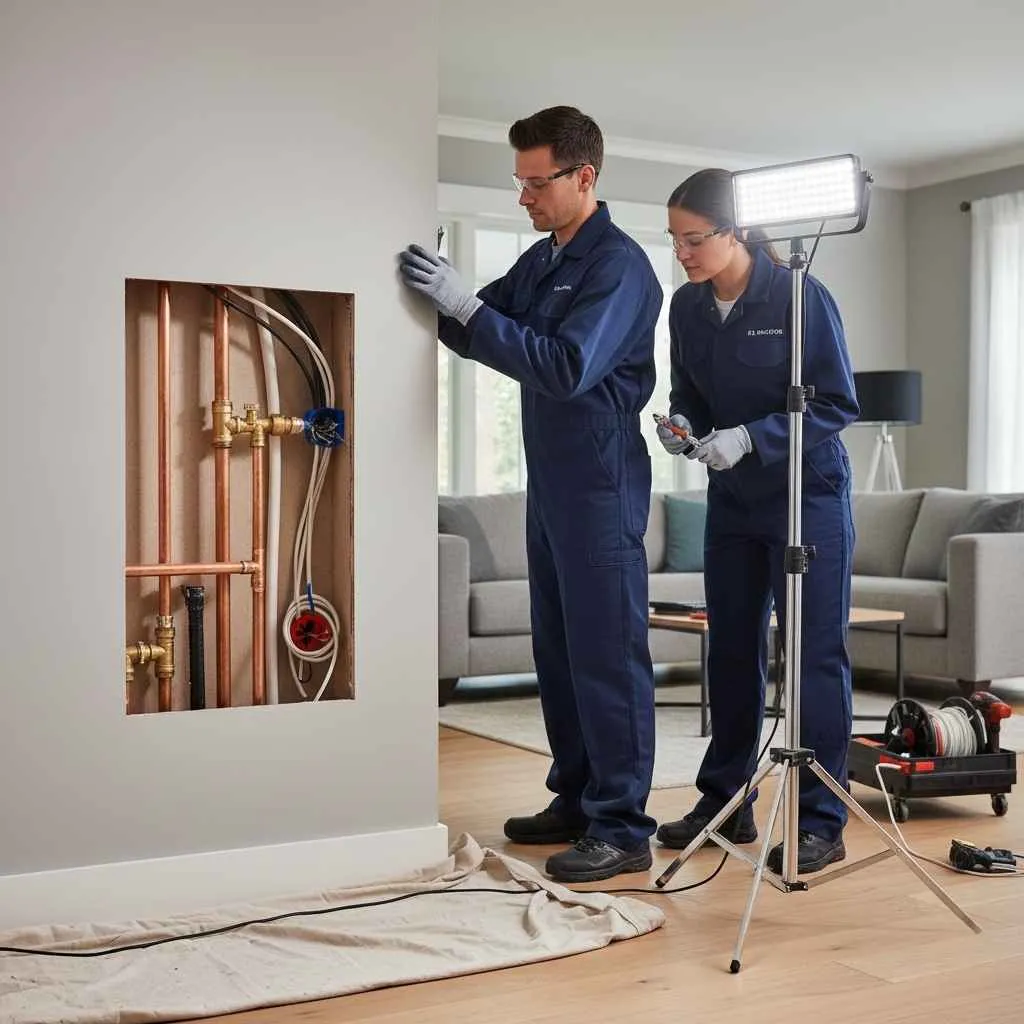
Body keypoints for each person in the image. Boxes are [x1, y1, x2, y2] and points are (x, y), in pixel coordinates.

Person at [398, 106, 663, 883]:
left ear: (585, 176)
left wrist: (467, 308)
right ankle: (577, 798)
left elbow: (562, 367)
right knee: (559, 651)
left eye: (536, 183)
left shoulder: (619, 266)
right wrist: (433, 287)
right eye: (517, 184)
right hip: (550, 484)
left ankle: (623, 825)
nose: (524, 198)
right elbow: (470, 323)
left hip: (601, 484)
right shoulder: (547, 258)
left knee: (608, 656)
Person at [654, 168, 859, 874]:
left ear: (735, 231)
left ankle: (820, 820)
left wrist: (753, 437)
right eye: (675, 239)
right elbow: (691, 394)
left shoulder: (800, 295)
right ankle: (725, 801)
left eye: (695, 238)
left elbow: (836, 404)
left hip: (808, 499)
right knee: (733, 650)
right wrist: (685, 426)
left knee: (813, 654)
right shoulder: (685, 309)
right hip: (733, 504)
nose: (682, 252)